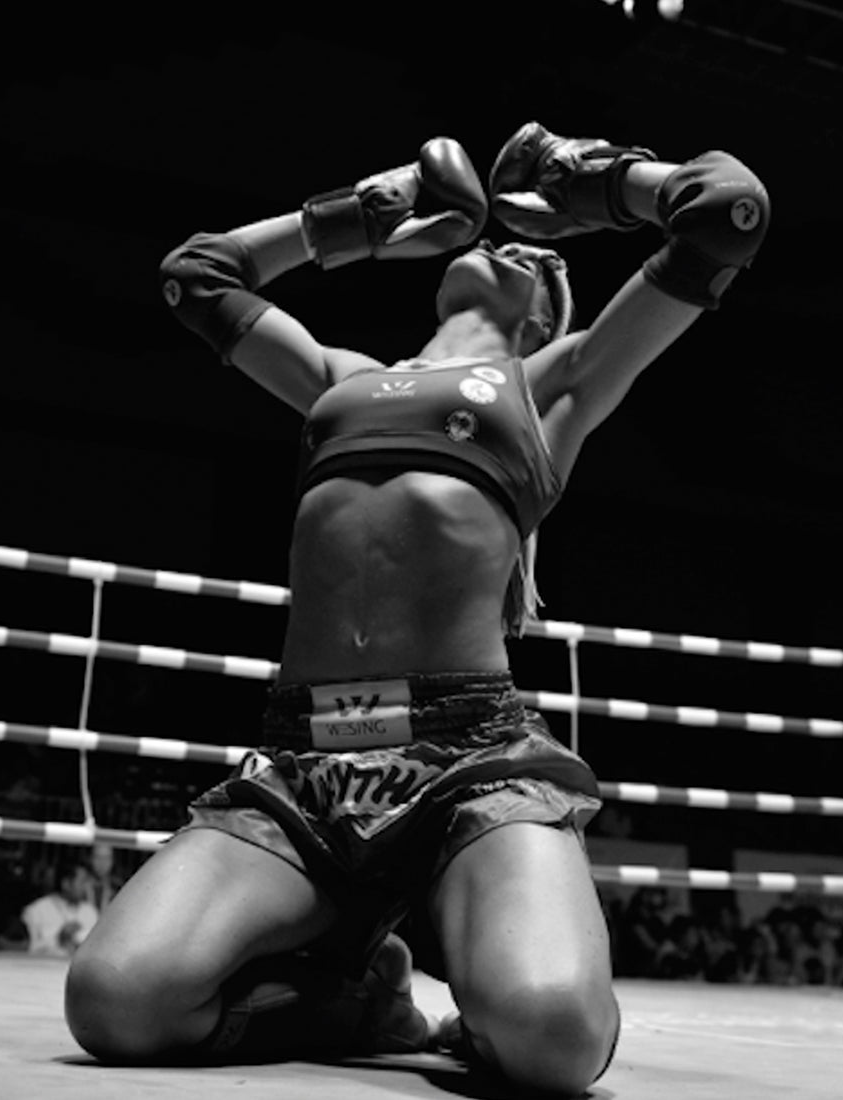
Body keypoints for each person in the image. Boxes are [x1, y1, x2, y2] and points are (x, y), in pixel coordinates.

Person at [65, 122, 769, 1094]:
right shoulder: (339, 379)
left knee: (551, 1041)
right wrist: (357, 220)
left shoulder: (551, 386)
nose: (504, 245)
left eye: (531, 254)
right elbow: (198, 274)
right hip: (304, 768)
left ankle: (481, 981)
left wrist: (596, 183)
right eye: (494, 240)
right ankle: (360, 1001)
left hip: (466, 762)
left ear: (546, 314)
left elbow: (725, 213)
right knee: (117, 1003)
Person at [22, 862, 100, 957]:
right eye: (82, 881)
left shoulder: (90, 912)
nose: (86, 887)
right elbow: (28, 950)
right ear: (66, 884)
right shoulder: (37, 910)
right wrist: (58, 938)